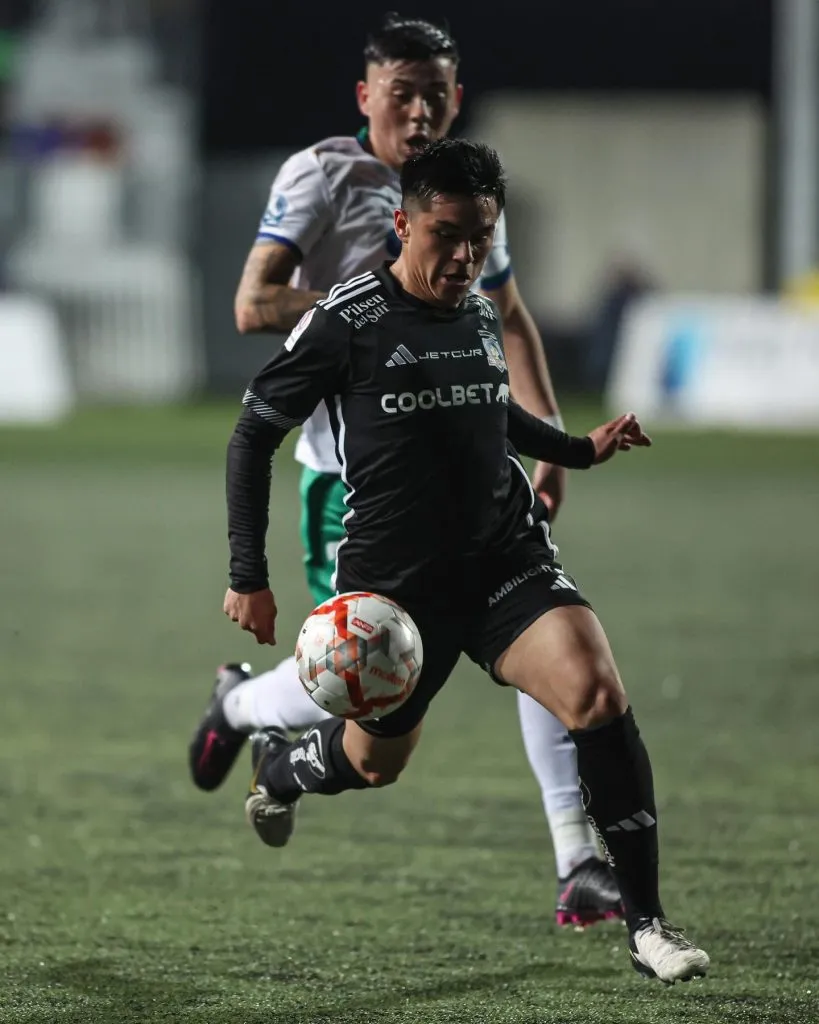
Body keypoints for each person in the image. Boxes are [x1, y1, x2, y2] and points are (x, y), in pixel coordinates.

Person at [219, 138, 710, 985]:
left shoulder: (477, 308)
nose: (465, 256)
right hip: (397, 595)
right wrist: (246, 576)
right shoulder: (345, 321)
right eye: (446, 235)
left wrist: (578, 450)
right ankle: (283, 763)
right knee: (374, 764)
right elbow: (253, 431)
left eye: (479, 237)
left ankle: (647, 924)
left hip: (502, 558)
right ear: (401, 223)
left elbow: (495, 415)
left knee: (593, 693)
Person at [189, 13, 621, 928]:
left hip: (468, 444)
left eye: (436, 94)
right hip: (350, 468)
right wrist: (383, 311)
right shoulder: (321, 176)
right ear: (365, 98)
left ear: (455, 98)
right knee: (360, 673)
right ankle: (241, 706)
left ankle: (577, 856)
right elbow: (252, 301)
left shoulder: (464, 194)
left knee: (537, 620)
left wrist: (549, 436)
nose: (421, 111)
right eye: (402, 94)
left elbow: (508, 313)